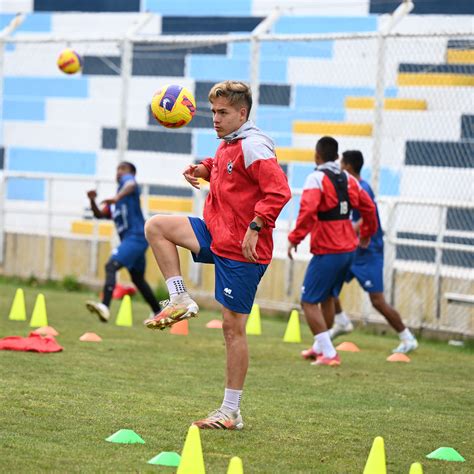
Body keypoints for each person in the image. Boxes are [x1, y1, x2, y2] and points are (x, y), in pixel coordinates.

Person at [144, 80, 291, 430]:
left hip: (243, 249)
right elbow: (227, 171)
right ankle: (179, 298)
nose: (215, 118)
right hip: (216, 233)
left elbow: (279, 191)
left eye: (223, 112)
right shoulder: (230, 142)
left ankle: (231, 412)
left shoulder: (255, 145)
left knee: (232, 329)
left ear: (243, 113)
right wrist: (202, 169)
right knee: (157, 227)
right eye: (213, 111)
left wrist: (256, 227)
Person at [288, 137, 378, 367]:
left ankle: (329, 353)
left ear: (317, 157)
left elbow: (307, 211)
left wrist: (294, 238)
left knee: (308, 301)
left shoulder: (315, 178)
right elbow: (369, 207)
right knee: (327, 297)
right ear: (337, 158)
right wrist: (367, 232)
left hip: (328, 250)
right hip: (349, 249)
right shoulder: (348, 178)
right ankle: (320, 347)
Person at [329, 150, 418, 354]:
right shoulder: (350, 185)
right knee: (329, 285)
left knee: (377, 301)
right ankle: (341, 321)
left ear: (348, 167)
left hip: (369, 252)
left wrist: (344, 230)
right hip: (352, 250)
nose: (340, 166)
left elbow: (365, 219)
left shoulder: (363, 188)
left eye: (342, 163)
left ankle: (407, 337)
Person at [85, 161, 161, 322]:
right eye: (118, 169)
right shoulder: (116, 202)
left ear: (132, 173)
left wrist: (117, 196)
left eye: (124, 169)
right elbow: (100, 215)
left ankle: (105, 306)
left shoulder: (129, 189)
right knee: (138, 279)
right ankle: (157, 312)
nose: (119, 172)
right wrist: (92, 201)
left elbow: (131, 184)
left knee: (111, 265)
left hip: (136, 237)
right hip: (133, 240)